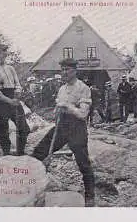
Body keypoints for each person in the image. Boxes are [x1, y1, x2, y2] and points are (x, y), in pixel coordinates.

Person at [32, 58, 95, 207]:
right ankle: (31, 185)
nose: (64, 73)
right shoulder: (62, 89)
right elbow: (57, 109)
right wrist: (57, 111)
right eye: (62, 70)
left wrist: (67, 106)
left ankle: (90, 195)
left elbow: (83, 114)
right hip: (61, 127)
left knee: (83, 162)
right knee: (38, 152)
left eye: (67, 70)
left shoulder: (83, 88)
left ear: (75, 70)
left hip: (77, 128)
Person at [0, 41, 30, 156]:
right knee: (4, 130)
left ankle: (20, 152)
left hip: (13, 98)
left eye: (4, 53)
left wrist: (17, 94)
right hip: (2, 101)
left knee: (24, 128)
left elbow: (18, 84)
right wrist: (10, 101)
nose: (2, 55)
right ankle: (6, 153)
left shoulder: (10, 68)